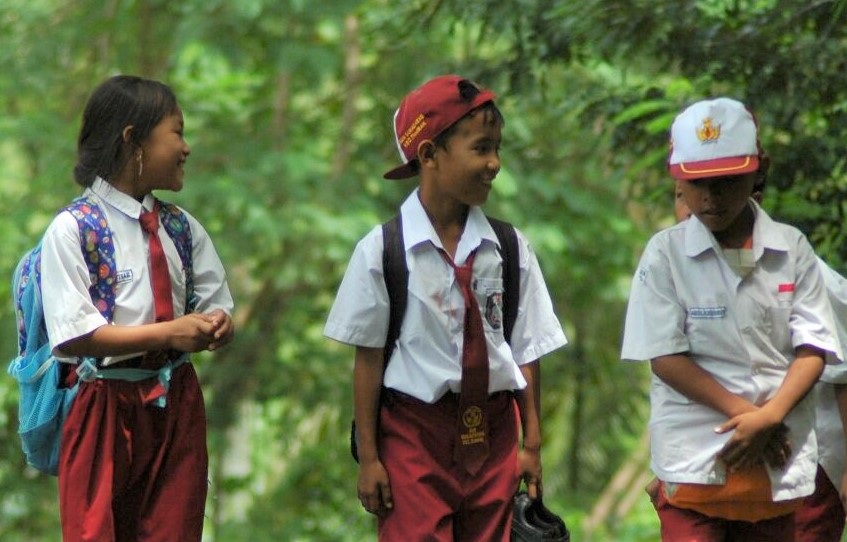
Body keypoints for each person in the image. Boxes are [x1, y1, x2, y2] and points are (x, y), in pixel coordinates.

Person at [324, 74, 567, 541]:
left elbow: (526, 350)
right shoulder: (383, 250)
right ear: (429, 154)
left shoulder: (510, 248)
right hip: (415, 435)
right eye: (480, 148)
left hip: (495, 435)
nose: (495, 163)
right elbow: (368, 361)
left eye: (497, 147)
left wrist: (530, 444)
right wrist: (371, 460)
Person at [621, 97, 841, 541]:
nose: (710, 196)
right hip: (695, 467)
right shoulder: (665, 254)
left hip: (775, 476)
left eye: (725, 180)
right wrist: (750, 417)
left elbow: (814, 348)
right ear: (678, 180)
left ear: (759, 170)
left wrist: (773, 414)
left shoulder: (792, 249)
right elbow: (664, 357)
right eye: (696, 183)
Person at [40, 75, 235, 542]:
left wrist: (217, 324)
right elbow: (75, 334)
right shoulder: (74, 230)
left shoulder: (181, 228)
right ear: (133, 140)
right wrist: (170, 333)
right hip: (103, 402)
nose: (186, 147)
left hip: (175, 402)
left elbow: (216, 302)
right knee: (96, 531)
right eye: (177, 131)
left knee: (174, 529)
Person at [666, 176, 847, 541]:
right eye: (684, 196)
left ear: (752, 199)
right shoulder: (679, 275)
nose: (695, 209)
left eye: (719, 191)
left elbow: (842, 371)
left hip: (806, 466)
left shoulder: (800, 269)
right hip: (717, 468)